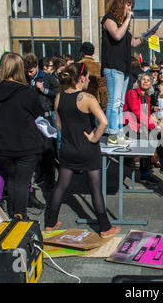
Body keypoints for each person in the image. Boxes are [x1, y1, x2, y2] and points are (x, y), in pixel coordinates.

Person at [45, 63, 120, 238]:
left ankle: (50, 222)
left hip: (68, 147)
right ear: (81, 78)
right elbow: (104, 122)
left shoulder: (59, 97)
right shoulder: (87, 98)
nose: (88, 80)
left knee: (61, 185)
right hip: (87, 148)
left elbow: (59, 125)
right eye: (87, 76)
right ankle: (104, 227)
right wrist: (94, 137)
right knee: (95, 187)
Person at [0, 52, 45, 219]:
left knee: (13, 180)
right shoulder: (26, 92)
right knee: (21, 182)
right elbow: (38, 113)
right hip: (25, 144)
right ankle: (19, 217)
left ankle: (15, 215)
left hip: (3, 144)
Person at [101, 0, 147, 147]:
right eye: (128, 5)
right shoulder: (109, 20)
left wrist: (145, 37)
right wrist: (128, 19)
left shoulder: (123, 26)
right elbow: (116, 35)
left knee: (120, 103)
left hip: (124, 67)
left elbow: (132, 43)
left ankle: (119, 133)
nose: (130, 8)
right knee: (114, 102)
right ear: (120, 4)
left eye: (131, 6)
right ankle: (112, 135)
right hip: (113, 67)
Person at [123, 73, 163, 187]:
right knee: (146, 142)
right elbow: (136, 112)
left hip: (141, 126)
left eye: (148, 80)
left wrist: (153, 126)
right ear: (138, 81)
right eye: (143, 79)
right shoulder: (132, 93)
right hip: (130, 127)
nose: (146, 82)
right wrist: (151, 126)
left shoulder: (147, 97)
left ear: (151, 84)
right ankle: (145, 174)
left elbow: (147, 115)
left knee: (159, 136)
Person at [24, 53, 56, 196]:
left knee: (48, 149)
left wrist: (44, 90)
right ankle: (39, 175)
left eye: (31, 71)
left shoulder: (47, 77)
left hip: (46, 117)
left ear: (37, 66)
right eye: (27, 72)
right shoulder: (26, 79)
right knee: (35, 149)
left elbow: (58, 92)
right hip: (32, 118)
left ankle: (49, 179)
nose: (29, 74)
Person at [78, 42, 108, 112]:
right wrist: (104, 106)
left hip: (81, 100)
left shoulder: (77, 65)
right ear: (93, 53)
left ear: (82, 52)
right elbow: (103, 89)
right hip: (96, 101)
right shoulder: (99, 66)